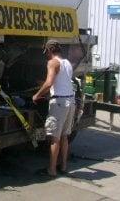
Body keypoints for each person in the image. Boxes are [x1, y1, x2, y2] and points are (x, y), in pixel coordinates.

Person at [32, 39, 75, 177]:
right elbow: (62, 80)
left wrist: (37, 95)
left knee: (54, 139)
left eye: (46, 51)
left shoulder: (52, 63)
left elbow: (49, 82)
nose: (46, 54)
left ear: (49, 50)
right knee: (64, 136)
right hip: (70, 100)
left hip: (59, 103)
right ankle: (63, 166)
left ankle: (51, 170)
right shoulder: (67, 63)